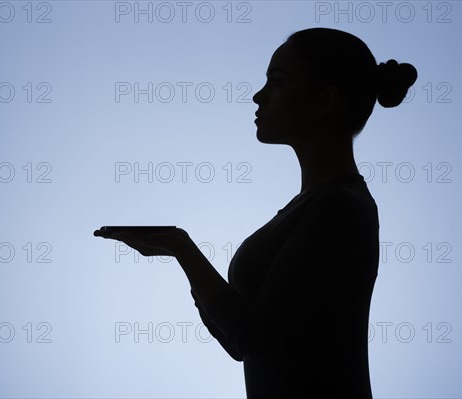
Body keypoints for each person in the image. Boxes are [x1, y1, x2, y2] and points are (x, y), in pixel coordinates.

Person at [94, 27, 417, 398]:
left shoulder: (338, 208)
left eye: (277, 82)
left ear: (326, 101)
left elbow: (252, 337)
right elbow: (238, 340)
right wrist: (177, 251)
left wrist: (181, 247)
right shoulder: (315, 205)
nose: (258, 95)